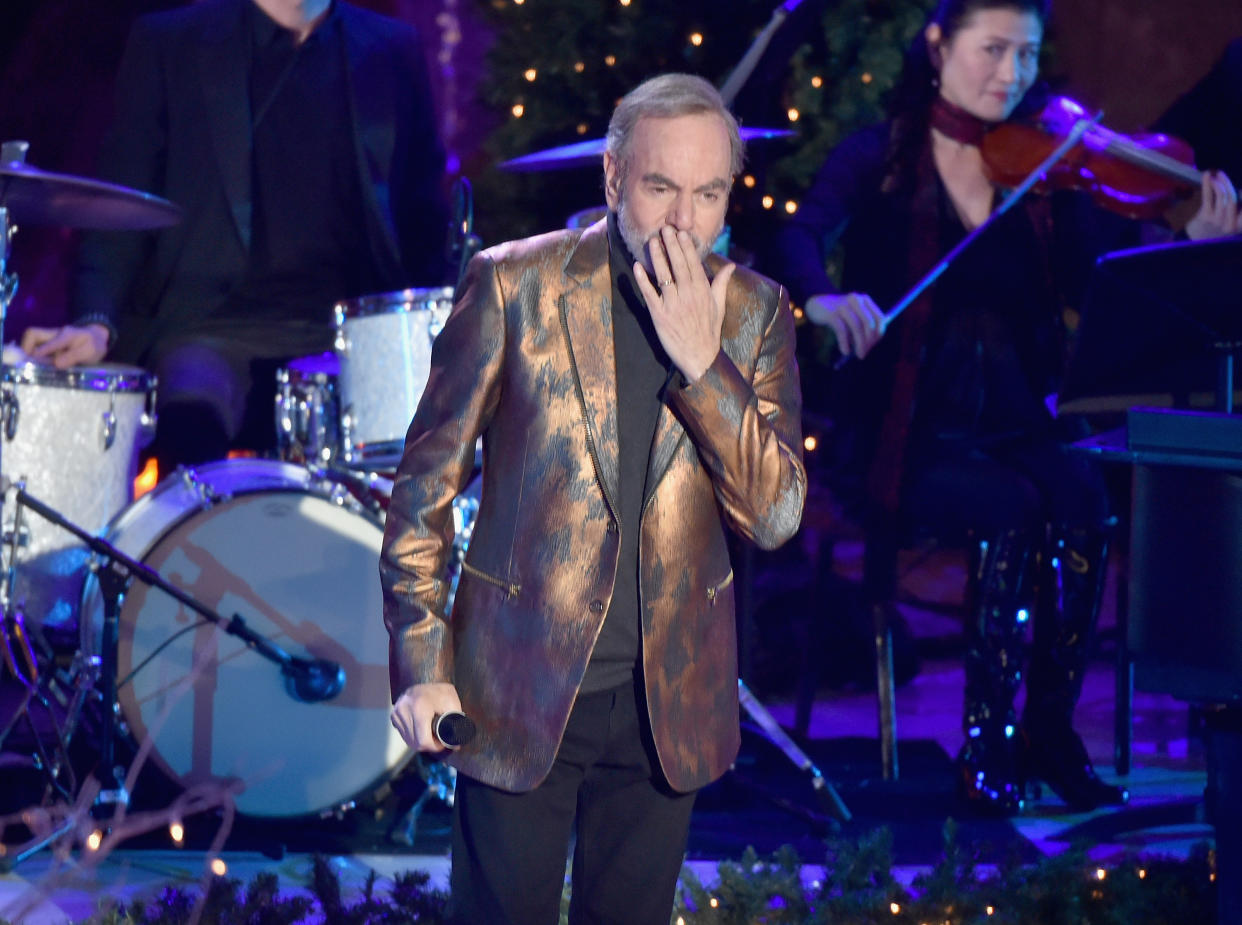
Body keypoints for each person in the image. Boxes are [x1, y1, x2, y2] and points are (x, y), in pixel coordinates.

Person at [774, 0, 1240, 816]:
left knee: (1087, 503)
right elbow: (801, 235)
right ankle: (983, 747)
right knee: (1013, 509)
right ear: (937, 46)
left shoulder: (1051, 169)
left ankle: (1048, 734)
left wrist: (1192, 241)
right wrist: (822, 297)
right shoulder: (881, 155)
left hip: (1021, 415)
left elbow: (1113, 271)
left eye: (1025, 55)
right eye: (992, 50)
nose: (1011, 75)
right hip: (910, 428)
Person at [383, 74, 805, 925]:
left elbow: (775, 515)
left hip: (669, 698)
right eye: (660, 187)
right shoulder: (514, 286)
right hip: (517, 685)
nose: (685, 219)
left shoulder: (754, 313)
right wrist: (423, 664)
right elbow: (424, 487)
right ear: (613, 179)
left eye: (709, 192)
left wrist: (703, 364)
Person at [20, 0, 447, 473]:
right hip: (210, 330)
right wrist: (96, 321)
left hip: (355, 333)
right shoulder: (171, 42)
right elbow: (119, 209)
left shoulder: (389, 47)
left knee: (436, 445)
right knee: (191, 424)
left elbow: (424, 218)